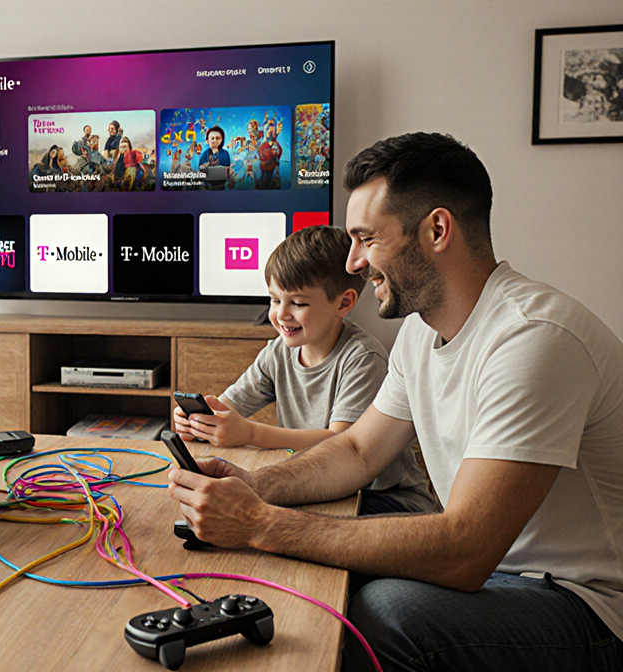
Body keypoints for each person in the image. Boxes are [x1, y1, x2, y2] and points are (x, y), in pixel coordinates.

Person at [168, 132, 623, 671]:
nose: (354, 262)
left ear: (436, 229)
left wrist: (262, 523)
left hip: (583, 604)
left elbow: (466, 549)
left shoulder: (534, 338)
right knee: (313, 576)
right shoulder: (418, 333)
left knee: (387, 611)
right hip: (502, 576)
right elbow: (359, 450)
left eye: (365, 239)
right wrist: (256, 487)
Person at [172, 225, 433, 516]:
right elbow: (228, 406)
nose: (281, 314)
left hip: (384, 498)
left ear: (343, 303)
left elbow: (342, 444)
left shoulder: (362, 358)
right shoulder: (278, 353)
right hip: (316, 484)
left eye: (297, 303)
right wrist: (200, 419)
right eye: (274, 300)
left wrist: (250, 433)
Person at [197, 125, 231, 189]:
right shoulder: (205, 154)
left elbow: (227, 168)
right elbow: (201, 169)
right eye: (212, 138)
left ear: (221, 140)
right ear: (207, 140)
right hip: (207, 185)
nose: (214, 140)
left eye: (217, 138)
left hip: (222, 185)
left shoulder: (225, 153)